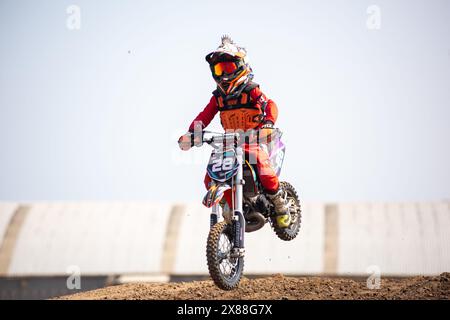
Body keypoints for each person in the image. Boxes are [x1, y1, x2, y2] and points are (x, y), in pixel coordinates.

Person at [178, 35, 291, 228]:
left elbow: (269, 104)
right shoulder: (218, 98)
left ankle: (279, 202)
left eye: (227, 68)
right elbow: (204, 115)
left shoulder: (251, 90)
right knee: (210, 177)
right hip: (230, 143)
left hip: (255, 139)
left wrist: (268, 123)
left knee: (260, 163)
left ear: (240, 66)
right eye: (218, 69)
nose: (222, 75)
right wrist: (192, 133)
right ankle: (230, 206)